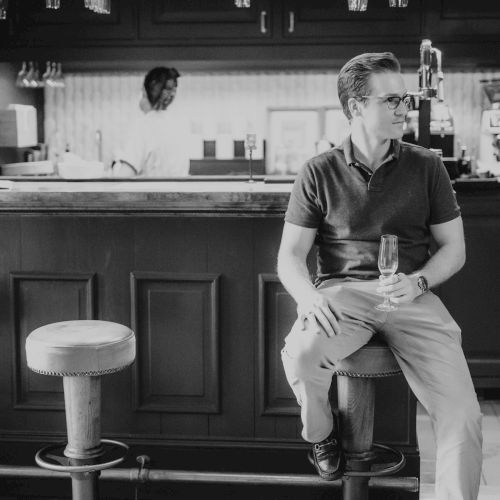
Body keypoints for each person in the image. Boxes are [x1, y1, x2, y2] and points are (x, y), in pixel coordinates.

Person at [277, 52, 482, 500]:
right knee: (302, 355)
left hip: (410, 295)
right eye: (391, 100)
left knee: (463, 417)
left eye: (404, 98)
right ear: (354, 107)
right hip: (343, 293)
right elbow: (290, 256)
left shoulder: (426, 165)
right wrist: (307, 297)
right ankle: (321, 435)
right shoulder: (318, 171)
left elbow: (455, 249)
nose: (403, 109)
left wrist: (419, 283)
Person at [113, 66, 189, 177]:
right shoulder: (179, 126)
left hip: (152, 194)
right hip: (177, 194)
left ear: (145, 92)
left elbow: (123, 177)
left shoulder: (144, 126)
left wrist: (116, 169)